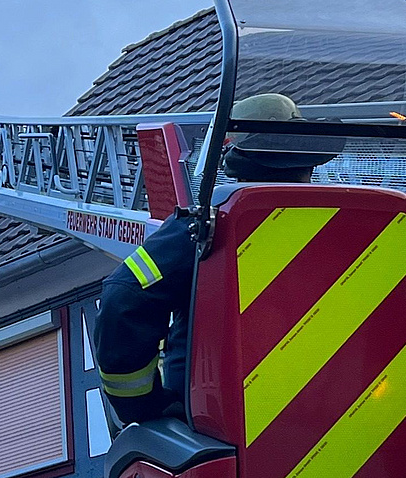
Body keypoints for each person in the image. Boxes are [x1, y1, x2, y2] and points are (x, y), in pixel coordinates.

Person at [93, 93, 341, 424]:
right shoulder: (355, 225)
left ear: (234, 161)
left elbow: (124, 296)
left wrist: (144, 407)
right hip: (343, 415)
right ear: (310, 161)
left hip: (221, 422)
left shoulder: (206, 228)